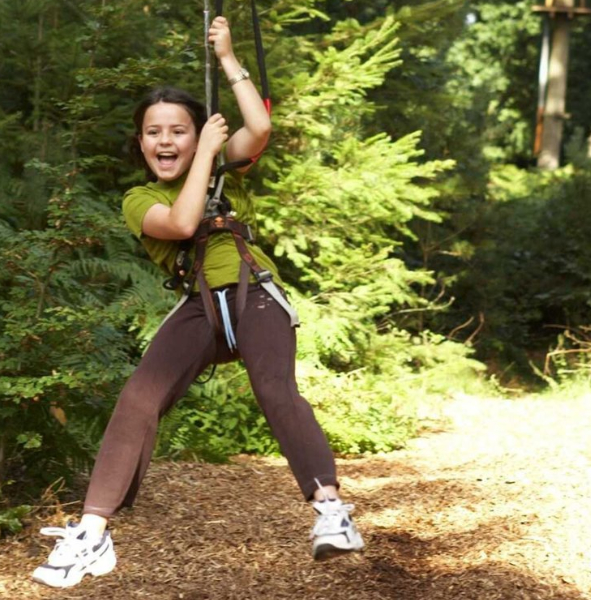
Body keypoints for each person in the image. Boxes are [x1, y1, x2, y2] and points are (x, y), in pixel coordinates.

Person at [32, 16, 364, 589]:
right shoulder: (139, 200)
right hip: (201, 307)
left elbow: (258, 128)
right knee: (139, 397)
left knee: (274, 387)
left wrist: (228, 60)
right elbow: (184, 221)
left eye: (180, 131)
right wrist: (207, 153)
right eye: (154, 132)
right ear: (140, 143)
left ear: (195, 135)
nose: (167, 141)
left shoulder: (226, 175)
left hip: (253, 291)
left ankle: (330, 511)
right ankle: (91, 531)